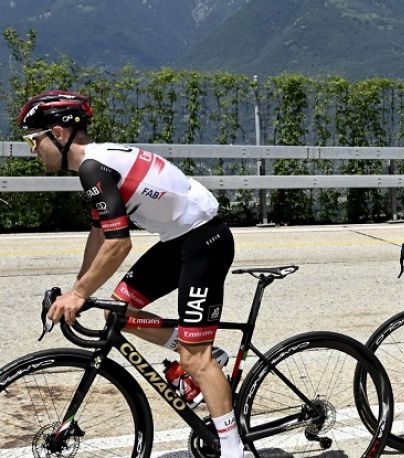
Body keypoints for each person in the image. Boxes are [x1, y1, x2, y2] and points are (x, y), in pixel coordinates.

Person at [18, 90, 243, 456]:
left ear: (58, 134)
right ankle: (209, 356)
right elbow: (100, 233)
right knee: (117, 313)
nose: (33, 150)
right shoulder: (95, 165)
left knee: (194, 359)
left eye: (34, 140)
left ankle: (234, 449)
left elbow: (119, 244)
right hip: (179, 239)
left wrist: (79, 294)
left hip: (205, 240)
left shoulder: (94, 167)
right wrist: (78, 289)